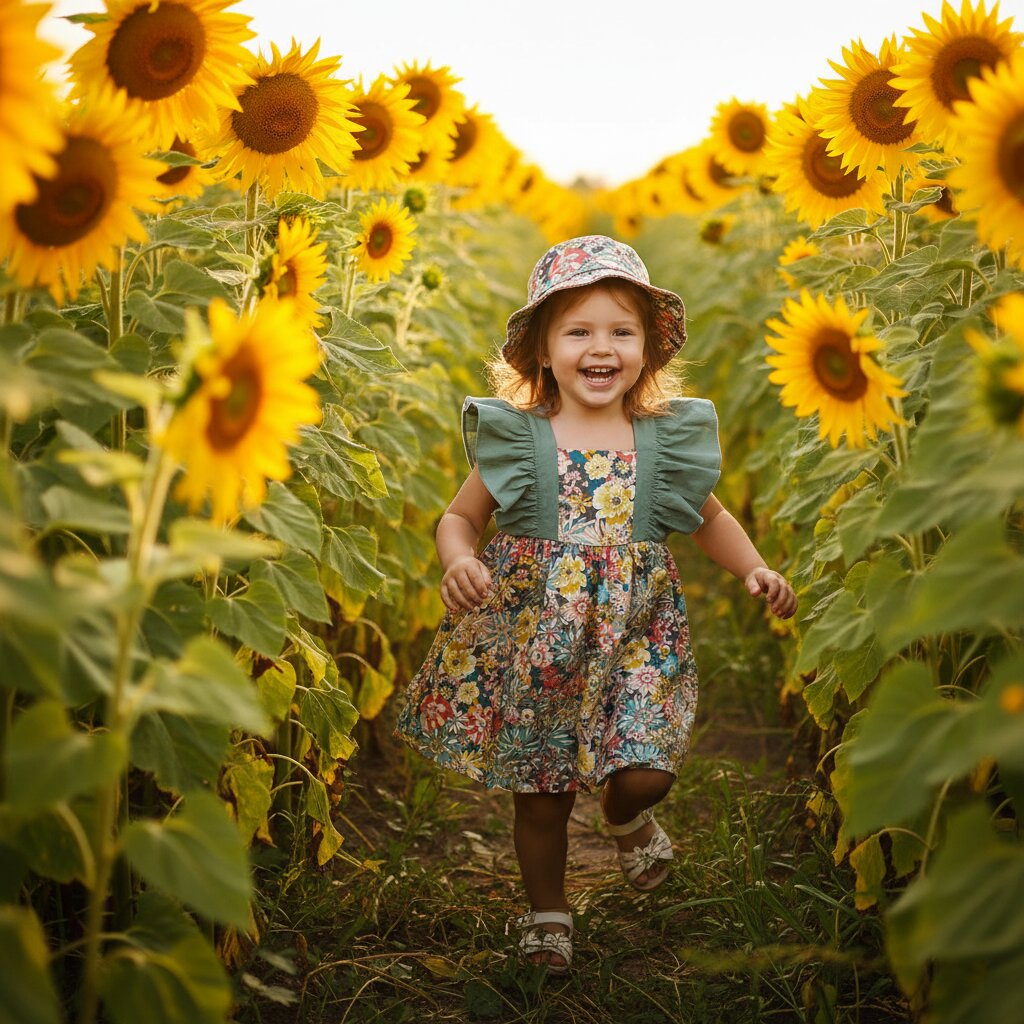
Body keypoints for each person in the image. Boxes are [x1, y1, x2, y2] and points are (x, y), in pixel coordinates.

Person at [394, 235, 797, 975]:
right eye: (578, 331)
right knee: (541, 794)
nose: (601, 347)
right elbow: (461, 518)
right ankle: (548, 912)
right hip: (536, 639)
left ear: (648, 348)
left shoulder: (660, 440)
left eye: (621, 331)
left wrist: (754, 568)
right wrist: (457, 560)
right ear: (542, 350)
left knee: (646, 767)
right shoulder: (521, 438)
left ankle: (625, 815)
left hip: (635, 634)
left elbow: (708, 518)